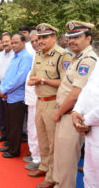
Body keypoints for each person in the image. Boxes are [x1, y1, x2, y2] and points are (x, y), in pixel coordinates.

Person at [52, 21, 97, 188]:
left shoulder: (88, 60)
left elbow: (76, 94)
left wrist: (58, 112)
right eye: (70, 37)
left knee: (67, 161)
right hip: (65, 114)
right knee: (61, 158)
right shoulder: (76, 57)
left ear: (88, 39)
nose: (72, 41)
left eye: (77, 37)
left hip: (72, 115)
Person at [27, 23, 72, 188]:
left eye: (45, 37)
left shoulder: (62, 56)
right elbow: (33, 75)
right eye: (39, 38)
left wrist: (43, 80)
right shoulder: (38, 54)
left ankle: (53, 176)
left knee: (54, 143)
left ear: (54, 37)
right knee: (42, 139)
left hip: (53, 102)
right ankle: (44, 167)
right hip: (39, 101)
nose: (41, 41)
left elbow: (66, 83)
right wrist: (33, 80)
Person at [0, 33, 32, 158]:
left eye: (16, 42)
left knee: (16, 126)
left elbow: (20, 78)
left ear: (23, 43)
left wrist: (5, 89)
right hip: (8, 95)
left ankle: (14, 150)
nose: (13, 45)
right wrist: (2, 89)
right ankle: (10, 144)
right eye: (12, 43)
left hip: (17, 97)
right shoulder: (15, 56)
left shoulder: (26, 57)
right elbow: (7, 75)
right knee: (10, 123)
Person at [72, 61, 99, 188]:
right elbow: (88, 88)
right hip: (90, 129)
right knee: (90, 175)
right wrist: (76, 110)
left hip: (91, 124)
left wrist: (84, 121)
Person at [0, 33, 14, 143]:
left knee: (11, 116)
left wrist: (5, 89)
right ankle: (3, 134)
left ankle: (11, 138)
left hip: (11, 89)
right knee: (1, 113)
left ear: (12, 42)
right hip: (0, 87)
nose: (5, 44)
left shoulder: (15, 55)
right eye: (3, 41)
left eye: (7, 41)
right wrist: (0, 89)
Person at [23, 30, 41, 170]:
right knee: (31, 128)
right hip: (31, 99)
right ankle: (34, 153)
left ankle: (38, 158)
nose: (34, 44)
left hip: (39, 100)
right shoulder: (35, 55)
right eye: (33, 41)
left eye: (37, 41)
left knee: (37, 130)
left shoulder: (45, 56)